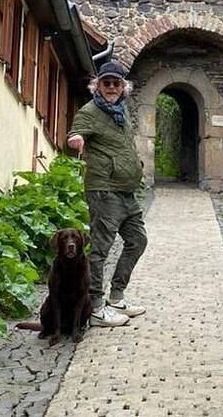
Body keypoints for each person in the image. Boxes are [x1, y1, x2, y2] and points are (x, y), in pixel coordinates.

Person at [67, 61, 148, 327]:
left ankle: (116, 296)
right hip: (104, 190)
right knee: (100, 249)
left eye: (116, 83)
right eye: (107, 83)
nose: (112, 87)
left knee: (137, 240)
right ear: (97, 86)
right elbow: (75, 133)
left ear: (124, 87)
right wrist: (76, 140)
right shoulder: (90, 111)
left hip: (126, 192)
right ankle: (96, 308)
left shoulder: (120, 111)